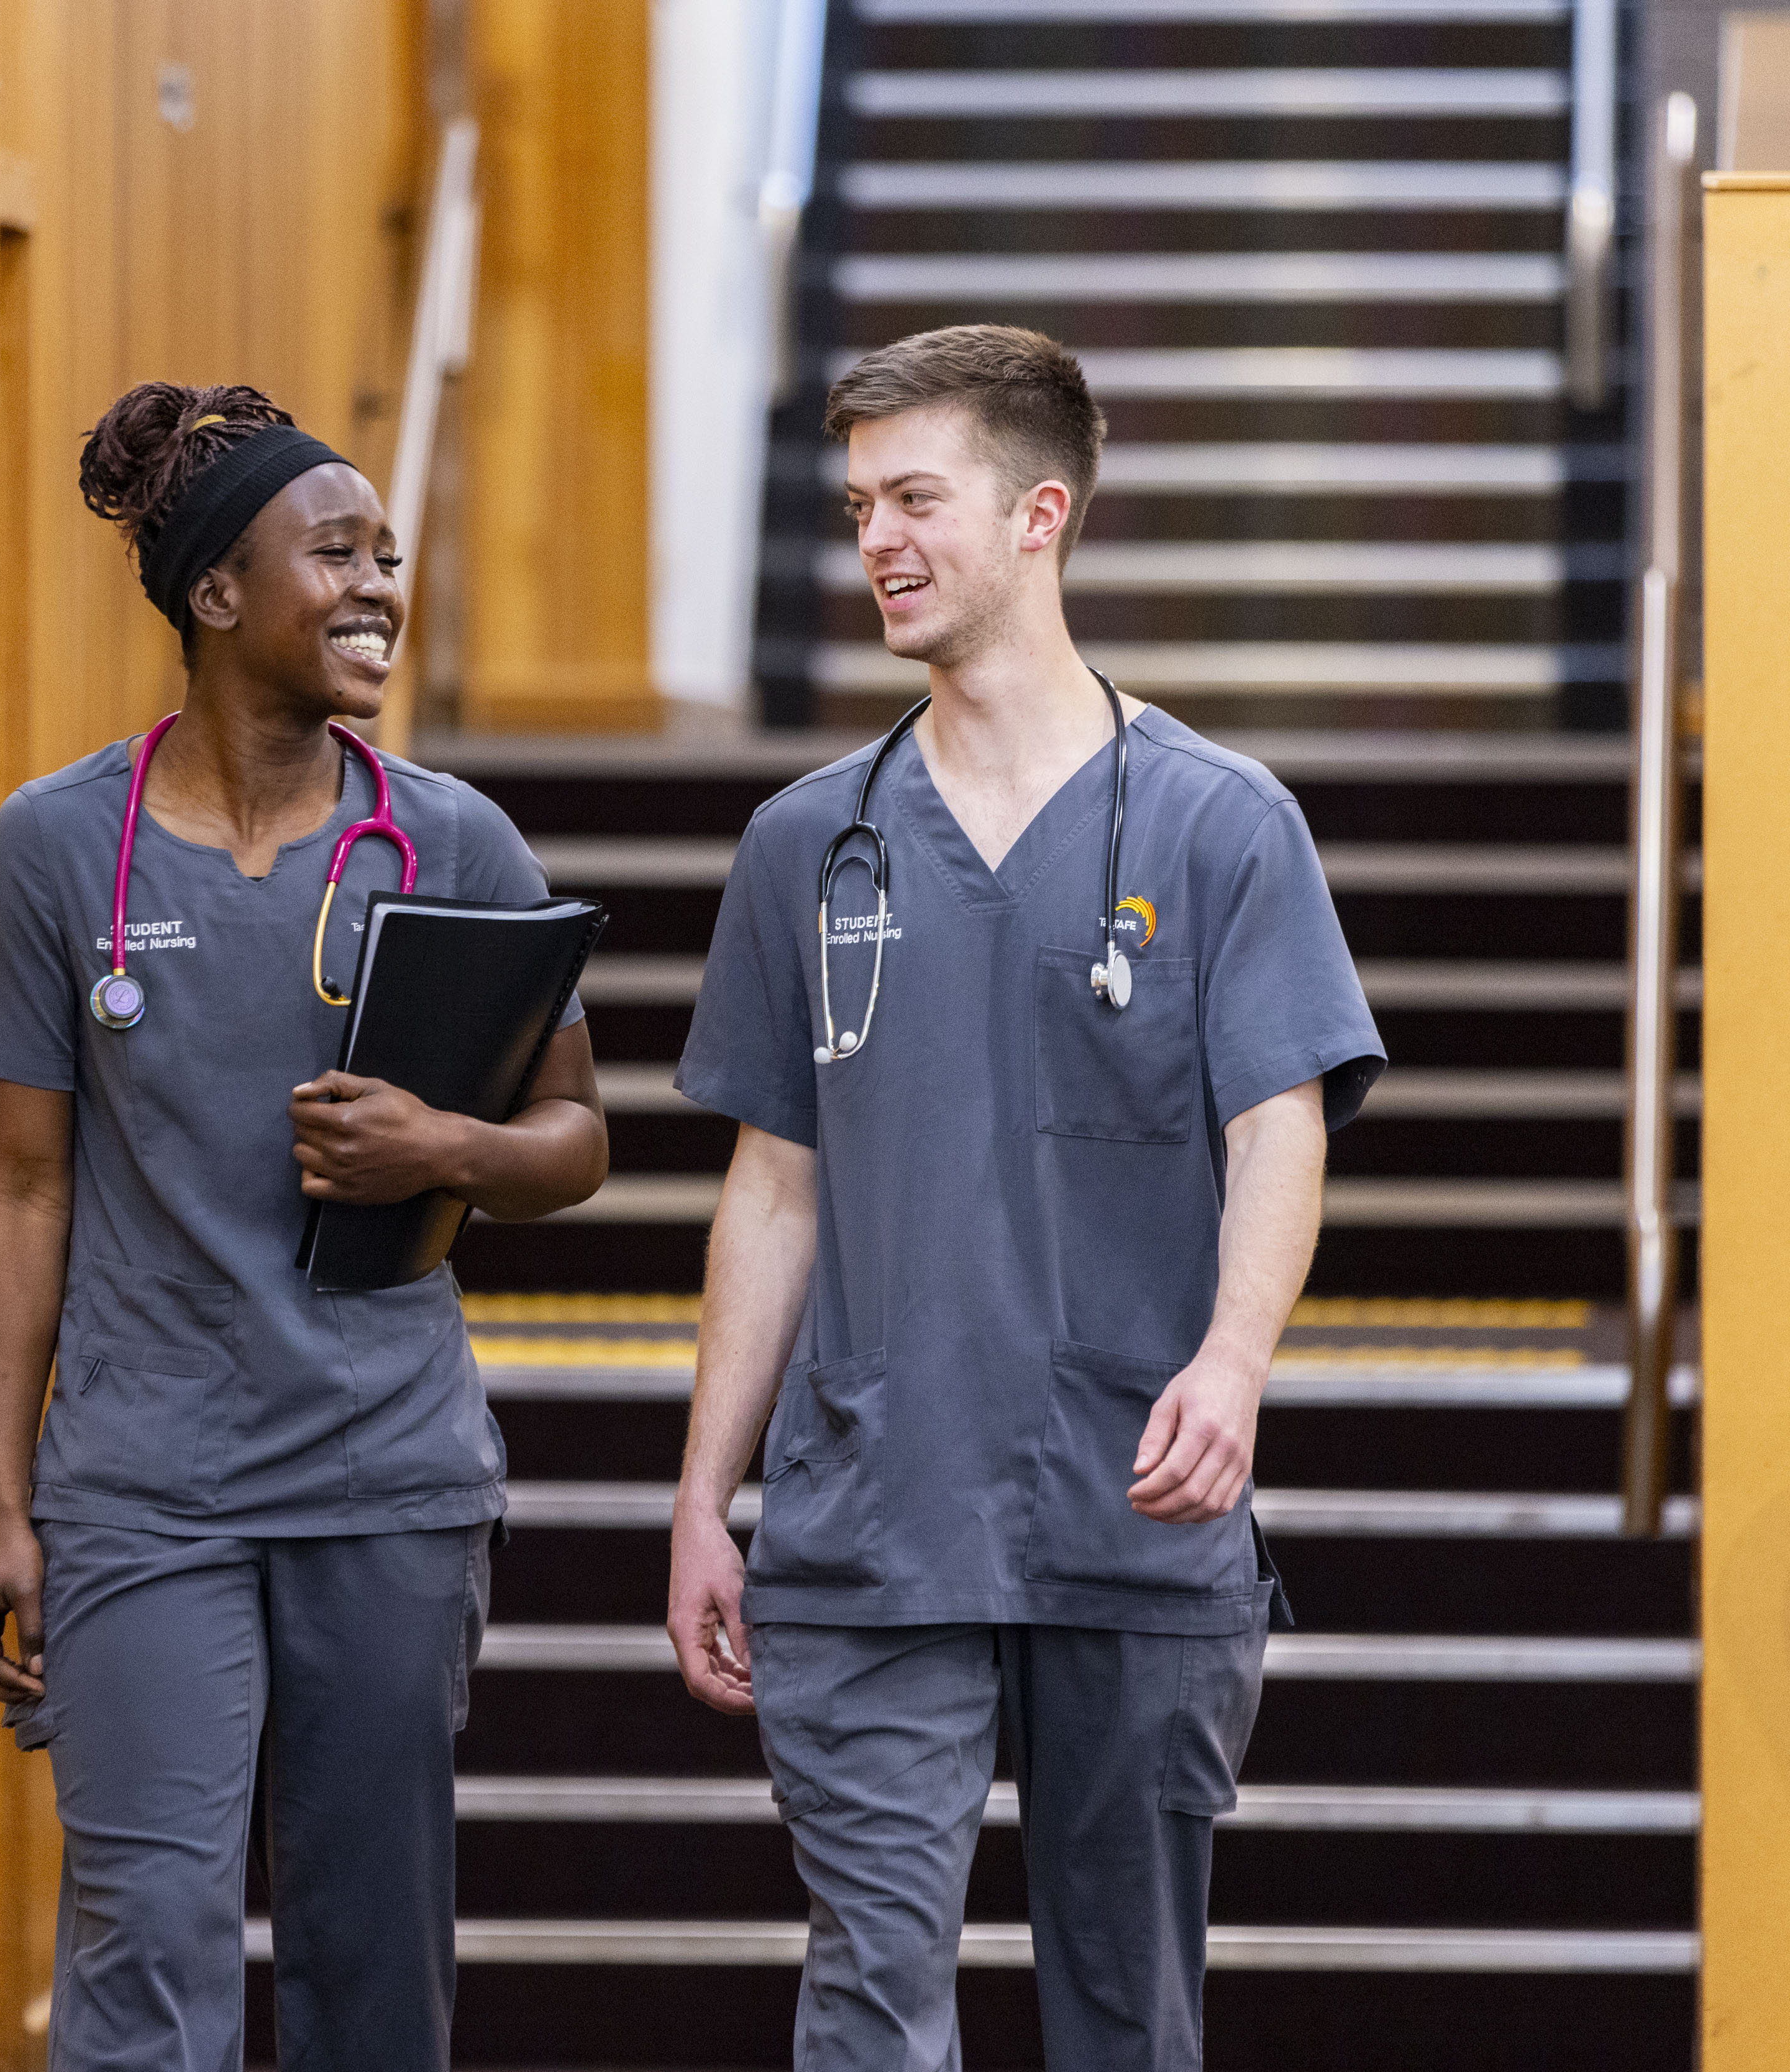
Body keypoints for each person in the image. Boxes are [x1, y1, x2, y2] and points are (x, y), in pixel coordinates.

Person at [664, 326, 1385, 2070]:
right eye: (857, 507)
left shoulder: (1223, 826)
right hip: (867, 1523)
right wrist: (705, 1495)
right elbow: (774, 1185)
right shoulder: (807, 847)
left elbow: (1278, 1123)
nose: (879, 543)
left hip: (1132, 1522)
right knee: (869, 2004)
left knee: (1128, 2018)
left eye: (918, 498)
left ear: (1040, 513)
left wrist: (1231, 1364)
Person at [0, 381, 610, 2072]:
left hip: (385, 1478)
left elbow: (575, 1142)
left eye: (389, 555)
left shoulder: (449, 842)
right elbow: (17, 1185)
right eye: (337, 554)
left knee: (369, 1956)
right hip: (145, 1487)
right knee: (143, 1944)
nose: (382, 584)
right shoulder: (52, 854)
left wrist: (440, 1143)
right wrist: (3, 1507)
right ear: (216, 596)